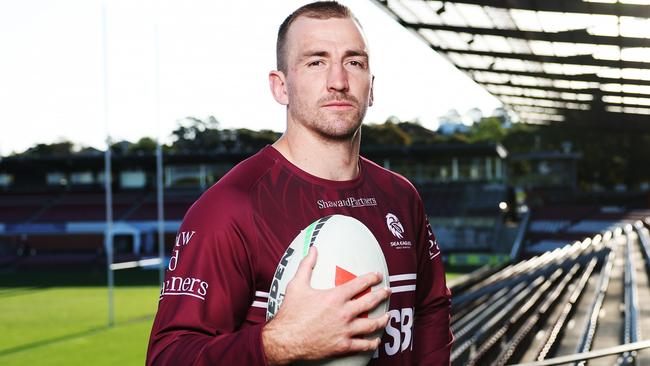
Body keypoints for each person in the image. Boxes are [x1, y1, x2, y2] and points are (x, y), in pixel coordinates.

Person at [146, 1, 453, 364]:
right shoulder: (230, 208)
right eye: (316, 62)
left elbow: (431, 309)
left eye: (354, 62)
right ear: (281, 87)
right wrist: (278, 343)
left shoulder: (401, 197)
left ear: (371, 86)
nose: (338, 81)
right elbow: (169, 357)